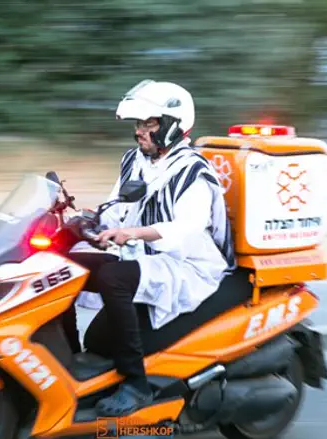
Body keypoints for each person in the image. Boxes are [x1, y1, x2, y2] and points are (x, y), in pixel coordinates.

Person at [62, 79, 236, 417]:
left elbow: (185, 229)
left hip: (188, 264)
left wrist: (132, 233)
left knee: (114, 277)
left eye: (149, 124)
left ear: (172, 126)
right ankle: (66, 358)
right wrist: (85, 221)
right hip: (146, 254)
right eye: (139, 124)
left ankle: (136, 384)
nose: (140, 132)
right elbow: (115, 208)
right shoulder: (134, 160)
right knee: (65, 264)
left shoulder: (194, 172)